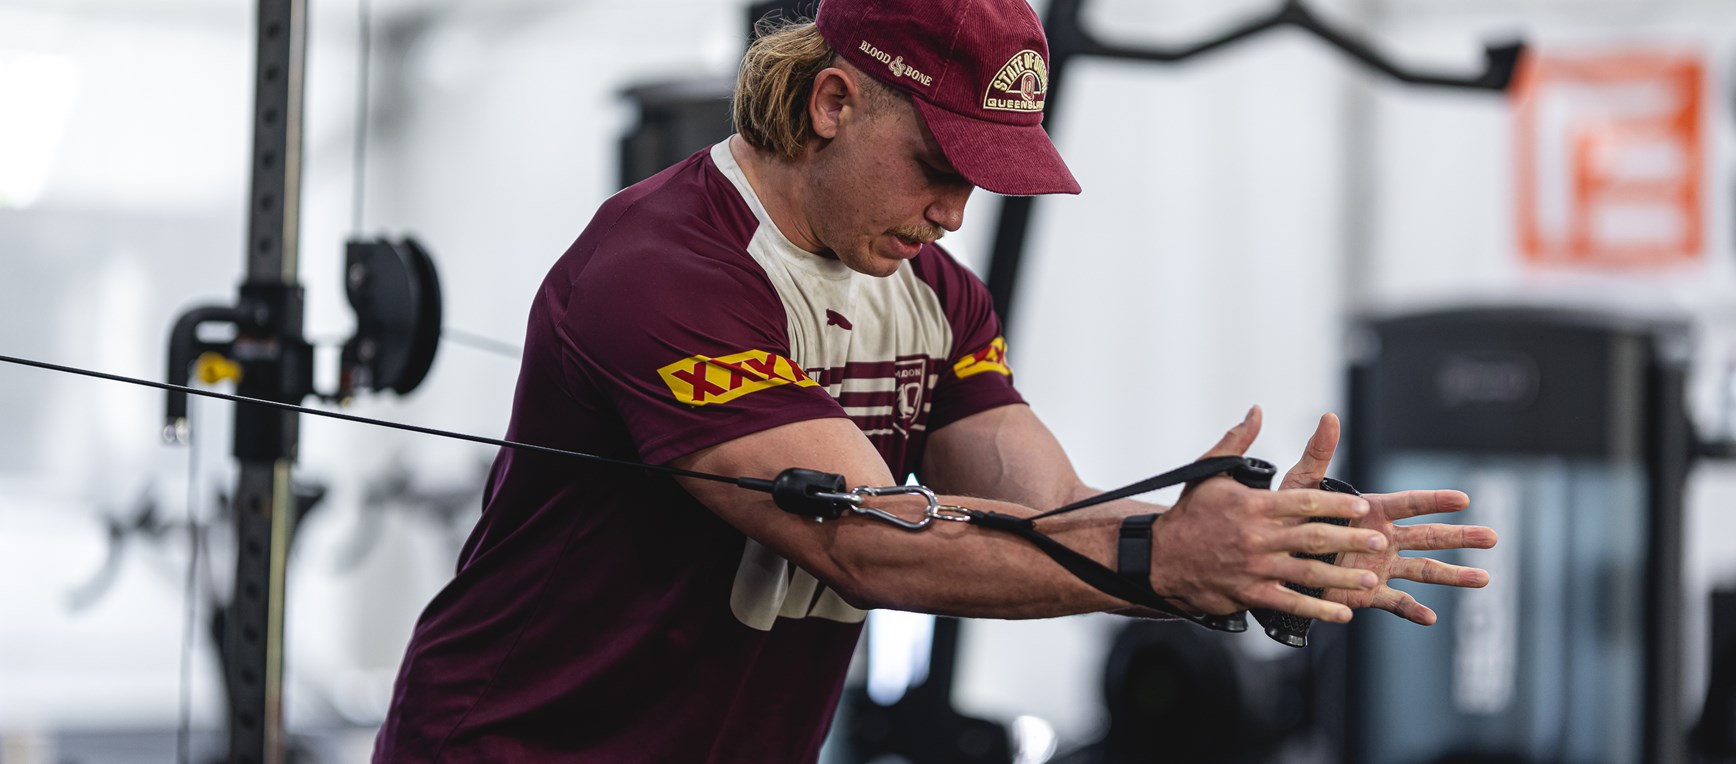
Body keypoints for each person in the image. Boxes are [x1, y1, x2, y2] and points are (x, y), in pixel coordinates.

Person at [373, 0, 1497, 761]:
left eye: (980, 180)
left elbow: (1057, 518)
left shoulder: (938, 296)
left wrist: (1245, 549)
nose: (956, 212)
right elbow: (861, 541)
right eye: (937, 166)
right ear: (833, 103)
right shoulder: (661, 271)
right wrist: (1168, 560)